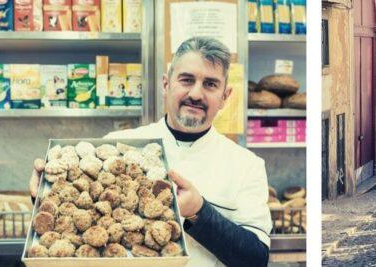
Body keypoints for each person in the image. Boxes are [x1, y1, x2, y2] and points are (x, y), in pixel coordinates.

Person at [29, 37, 272, 266]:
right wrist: (44, 195)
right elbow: (76, 228)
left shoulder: (247, 166)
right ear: (166, 84)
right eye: (186, 80)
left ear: (225, 96)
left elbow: (255, 259)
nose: (196, 94)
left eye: (210, 84)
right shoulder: (115, 148)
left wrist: (200, 212)